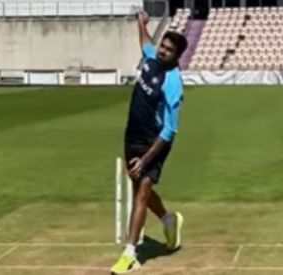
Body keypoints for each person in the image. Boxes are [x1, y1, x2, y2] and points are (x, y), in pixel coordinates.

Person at [110, 11, 187, 274]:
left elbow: (170, 130)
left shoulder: (174, 82)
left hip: (154, 141)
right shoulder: (152, 57)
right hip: (132, 134)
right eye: (163, 46)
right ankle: (168, 219)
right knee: (139, 188)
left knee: (140, 192)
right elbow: (145, 43)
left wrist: (145, 160)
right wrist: (141, 24)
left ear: (178, 56)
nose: (163, 51)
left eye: (169, 50)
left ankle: (130, 254)